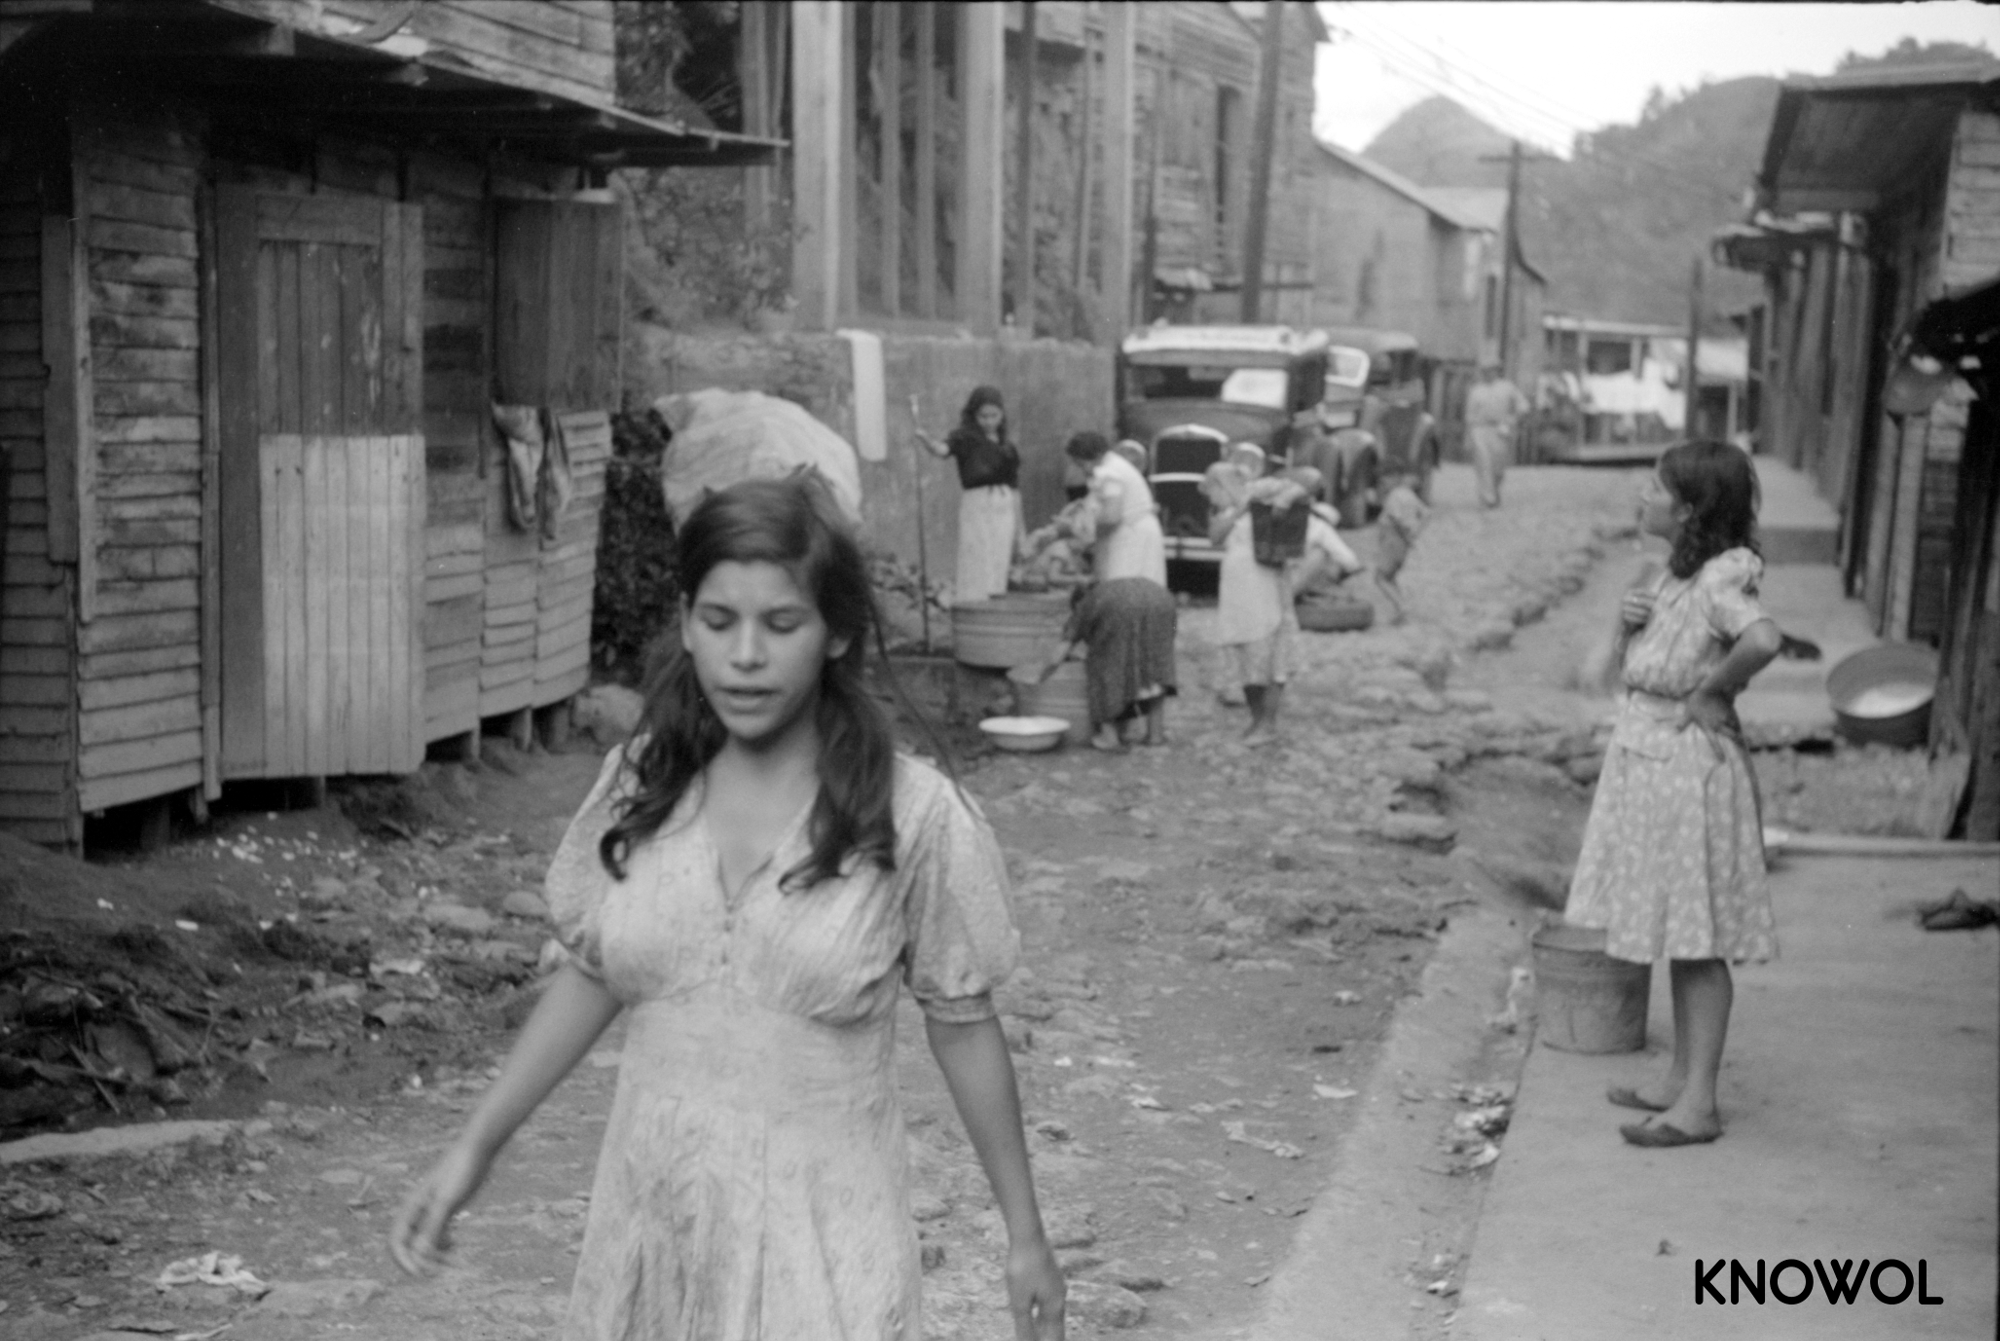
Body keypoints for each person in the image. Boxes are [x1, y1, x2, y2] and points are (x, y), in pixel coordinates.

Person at [390, 478, 1066, 1339]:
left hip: (824, 1261)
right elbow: (596, 971)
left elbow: (964, 1021)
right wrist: (471, 1149)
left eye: (782, 625)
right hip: (652, 1236)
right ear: (686, 623)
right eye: (719, 621)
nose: (745, 655)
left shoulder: (915, 816)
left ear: (838, 633)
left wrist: (1026, 1236)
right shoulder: (645, 783)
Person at [1564, 440, 1783, 1148]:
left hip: (1687, 766)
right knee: (1675, 926)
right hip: (1650, 758)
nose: (1641, 497)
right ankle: (1680, 1079)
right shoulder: (1671, 578)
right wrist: (1626, 625)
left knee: (1698, 936)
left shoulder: (1722, 577)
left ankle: (1700, 1104)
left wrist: (1714, 691)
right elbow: (1598, 675)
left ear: (1688, 509)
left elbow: (1765, 639)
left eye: (1654, 488)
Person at [1211, 466, 1313, 746]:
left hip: (1264, 587)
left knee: (1271, 655)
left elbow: (1306, 485)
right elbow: (1214, 537)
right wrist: (1237, 510)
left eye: (1216, 485)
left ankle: (1267, 722)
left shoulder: (1262, 491)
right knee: (1246, 658)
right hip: (1237, 596)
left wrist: (1281, 499)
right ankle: (1257, 719)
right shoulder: (1228, 512)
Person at [1030, 576, 1179, 751]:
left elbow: (1058, 655)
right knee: (1156, 665)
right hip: (1164, 599)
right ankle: (1155, 736)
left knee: (1101, 666)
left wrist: (1039, 678)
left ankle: (1109, 738)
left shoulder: (1087, 604)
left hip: (1125, 606)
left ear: (1076, 603)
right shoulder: (1111, 588)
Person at [916, 386, 1027, 601]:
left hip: (1003, 504)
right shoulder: (965, 439)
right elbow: (941, 450)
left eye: (994, 416)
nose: (988, 421)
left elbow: (1015, 488)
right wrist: (926, 439)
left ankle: (995, 600)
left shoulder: (1007, 447)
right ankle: (975, 600)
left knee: (999, 556)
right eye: (983, 416)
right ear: (974, 415)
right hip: (978, 503)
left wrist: (1021, 531)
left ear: (1001, 415)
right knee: (976, 554)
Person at [1065, 431, 1166, 586]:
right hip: (1134, 532)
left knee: (1122, 589)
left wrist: (1085, 533)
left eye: (1081, 464)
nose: (1083, 471)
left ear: (1095, 456)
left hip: (1132, 536)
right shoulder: (1114, 465)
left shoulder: (1109, 472)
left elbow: (1112, 516)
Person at [1464, 364, 1528, 509]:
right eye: (1485, 371)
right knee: (1483, 462)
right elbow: (1469, 415)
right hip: (1480, 429)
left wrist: (1513, 419)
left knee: (1498, 466)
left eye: (1491, 371)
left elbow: (1522, 405)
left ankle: (1495, 488)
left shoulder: (1507, 387)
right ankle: (1488, 497)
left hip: (1500, 429)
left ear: (1497, 372)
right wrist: (1468, 437)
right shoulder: (1476, 390)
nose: (1488, 374)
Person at [1373, 464, 1430, 625]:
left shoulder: (1394, 496)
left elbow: (1396, 518)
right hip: (1402, 544)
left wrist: (1407, 535)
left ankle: (1401, 607)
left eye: (1384, 481)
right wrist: (1415, 533)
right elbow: (1427, 513)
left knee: (1380, 578)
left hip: (1392, 540)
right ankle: (1400, 608)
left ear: (1394, 478)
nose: (1382, 485)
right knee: (1390, 577)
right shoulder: (1409, 495)